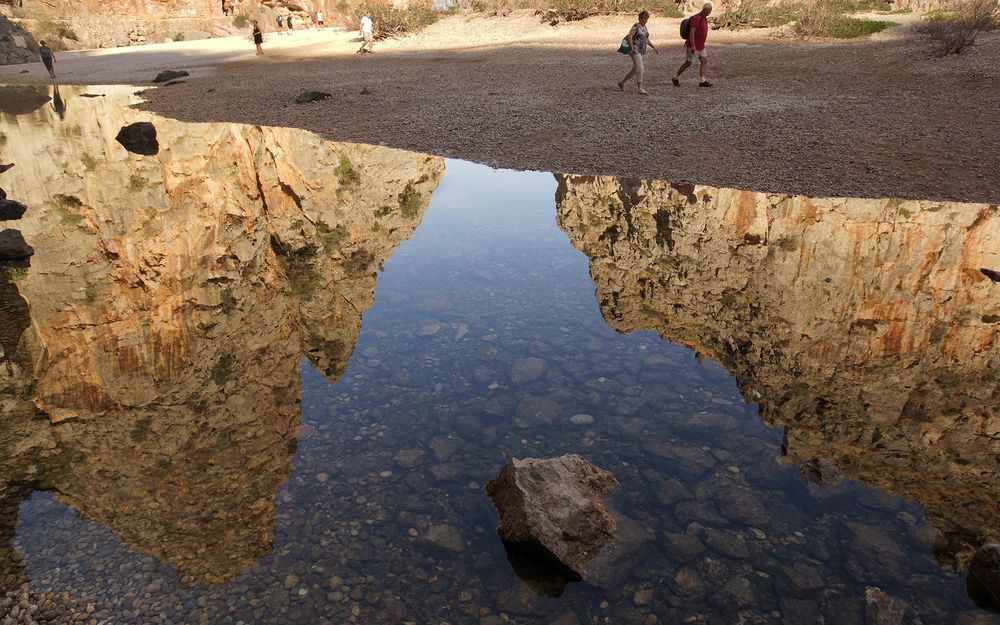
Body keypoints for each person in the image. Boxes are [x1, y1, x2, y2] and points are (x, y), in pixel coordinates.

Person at [617, 10, 658, 95]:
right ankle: (640, 88)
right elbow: (629, 37)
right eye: (643, 19)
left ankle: (622, 83)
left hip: (640, 50)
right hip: (635, 49)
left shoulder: (645, 27)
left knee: (636, 68)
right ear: (639, 18)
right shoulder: (636, 26)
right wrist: (632, 48)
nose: (645, 21)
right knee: (641, 68)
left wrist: (654, 47)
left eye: (646, 19)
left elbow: (646, 39)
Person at [673, 1, 712, 87]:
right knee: (688, 63)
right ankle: (675, 77)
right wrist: (693, 46)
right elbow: (691, 32)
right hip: (693, 46)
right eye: (710, 11)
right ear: (706, 11)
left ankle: (702, 81)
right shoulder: (697, 18)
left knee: (704, 61)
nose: (710, 12)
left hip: (701, 46)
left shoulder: (704, 18)